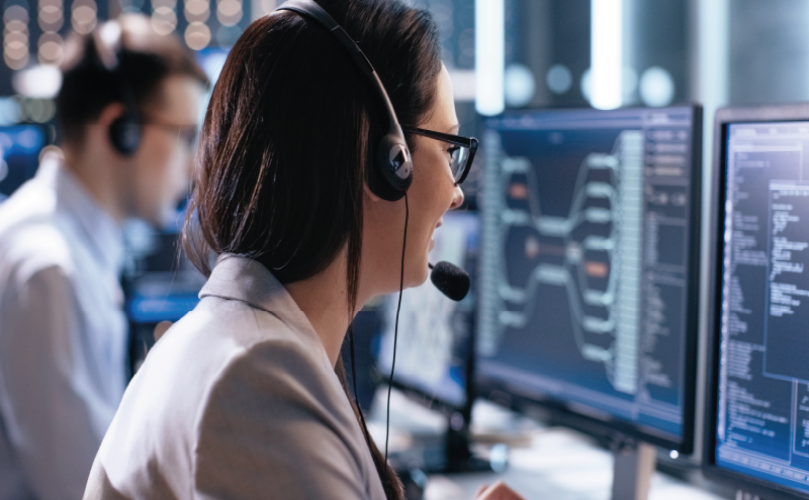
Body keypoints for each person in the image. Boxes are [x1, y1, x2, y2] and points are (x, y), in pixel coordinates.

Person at [83, 1, 523, 499]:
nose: (456, 192)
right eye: (448, 150)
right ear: (386, 161)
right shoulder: (258, 385)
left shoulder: (242, 347)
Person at [0, 15, 207, 500]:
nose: (192, 165)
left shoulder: (65, 245)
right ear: (121, 130)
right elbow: (82, 487)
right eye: (183, 136)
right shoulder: (50, 272)